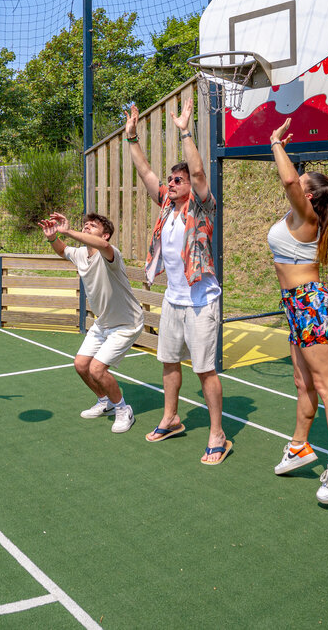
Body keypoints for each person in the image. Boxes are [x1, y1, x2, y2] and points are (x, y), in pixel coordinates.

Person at [124, 96, 230, 465]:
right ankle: (171, 418)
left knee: (204, 368)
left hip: (202, 301)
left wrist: (185, 132)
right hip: (173, 299)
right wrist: (131, 137)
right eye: (170, 179)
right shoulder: (167, 205)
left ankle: (218, 434)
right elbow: (146, 173)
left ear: (189, 185)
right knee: (168, 361)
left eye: (177, 180)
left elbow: (200, 174)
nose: (169, 183)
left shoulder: (202, 207)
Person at [265, 118, 328, 504]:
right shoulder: (296, 217)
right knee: (303, 384)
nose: (294, 184)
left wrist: (275, 143)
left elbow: (289, 181)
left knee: (326, 387)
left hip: (310, 305)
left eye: (303, 185)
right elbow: (291, 183)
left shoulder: (308, 218)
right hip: (295, 304)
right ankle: (301, 446)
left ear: (309, 196)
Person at [38, 211, 143, 434]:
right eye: (85, 224)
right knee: (81, 365)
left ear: (105, 236)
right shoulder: (80, 254)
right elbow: (62, 250)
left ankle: (124, 410)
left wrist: (68, 231)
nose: (86, 227)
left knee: (97, 369)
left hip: (127, 323)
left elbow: (97, 245)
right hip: (103, 323)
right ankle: (105, 401)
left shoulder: (110, 253)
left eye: (93, 226)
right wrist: (53, 237)